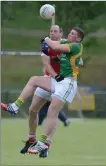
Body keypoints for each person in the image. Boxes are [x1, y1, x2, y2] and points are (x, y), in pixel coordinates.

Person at [1, 26, 84, 157]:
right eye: (50, 31)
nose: (69, 34)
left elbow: (55, 47)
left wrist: (46, 39)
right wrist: (47, 43)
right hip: (55, 80)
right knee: (33, 82)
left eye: (72, 33)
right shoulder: (62, 43)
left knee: (52, 111)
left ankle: (43, 143)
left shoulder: (75, 46)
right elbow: (49, 58)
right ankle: (15, 106)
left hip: (67, 83)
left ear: (78, 38)